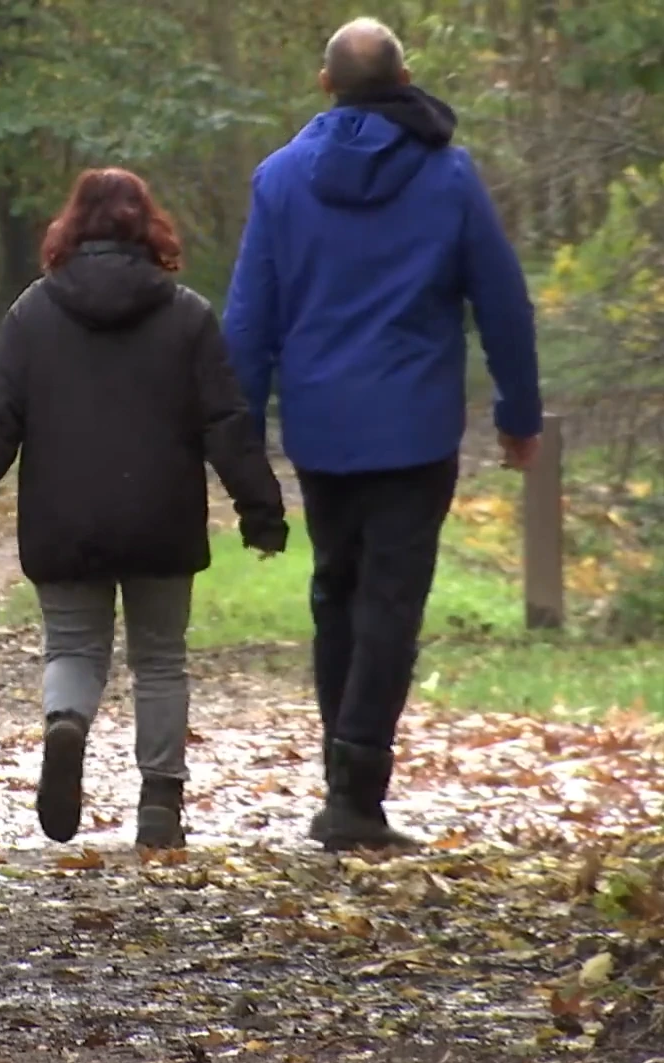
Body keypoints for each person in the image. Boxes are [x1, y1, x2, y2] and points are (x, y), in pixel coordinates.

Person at [221, 17, 543, 852]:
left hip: (323, 430)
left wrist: (238, 442)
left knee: (337, 593)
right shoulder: (448, 174)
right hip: (415, 427)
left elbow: (250, 323)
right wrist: (519, 416)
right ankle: (355, 794)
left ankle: (347, 782)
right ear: (405, 76)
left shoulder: (280, 180)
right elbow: (503, 303)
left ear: (325, 85)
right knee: (390, 602)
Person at [0, 167, 288, 850]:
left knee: (75, 647)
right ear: (151, 230)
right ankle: (160, 808)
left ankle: (67, 723)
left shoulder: (33, 314)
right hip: (161, 519)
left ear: (70, 230)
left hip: (65, 520)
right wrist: (261, 509)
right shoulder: (189, 315)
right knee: (161, 659)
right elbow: (227, 424)